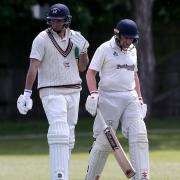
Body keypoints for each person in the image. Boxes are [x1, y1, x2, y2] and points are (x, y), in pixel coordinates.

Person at [17, 3, 89, 180]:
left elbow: (82, 67)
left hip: (73, 90)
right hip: (51, 90)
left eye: (59, 20)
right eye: (52, 20)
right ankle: (59, 177)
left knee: (69, 136)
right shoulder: (41, 39)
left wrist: (85, 51)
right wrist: (27, 92)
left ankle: (63, 174)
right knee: (59, 131)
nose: (55, 23)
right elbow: (33, 66)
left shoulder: (76, 39)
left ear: (66, 21)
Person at [85, 19, 149, 180]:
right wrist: (94, 93)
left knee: (139, 134)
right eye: (126, 38)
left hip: (130, 97)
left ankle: (142, 177)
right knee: (104, 142)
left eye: (131, 38)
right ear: (117, 35)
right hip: (108, 97)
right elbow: (90, 73)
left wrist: (140, 98)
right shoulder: (104, 49)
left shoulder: (132, 50)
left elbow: (134, 75)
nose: (128, 41)